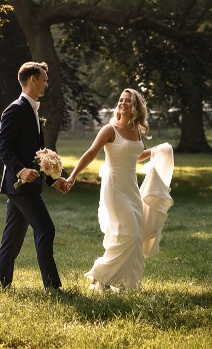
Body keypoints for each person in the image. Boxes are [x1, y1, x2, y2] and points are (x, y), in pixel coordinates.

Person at [66, 88, 153, 292]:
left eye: (128, 101)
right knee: (129, 233)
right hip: (114, 186)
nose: (123, 103)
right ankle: (100, 275)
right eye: (121, 100)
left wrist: (157, 151)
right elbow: (90, 153)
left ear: (136, 107)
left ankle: (123, 283)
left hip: (131, 186)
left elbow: (133, 155)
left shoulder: (137, 130)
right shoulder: (109, 130)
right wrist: (73, 176)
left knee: (134, 234)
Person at [0, 61, 68, 291]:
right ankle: (53, 287)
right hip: (20, 185)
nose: (47, 84)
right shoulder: (16, 109)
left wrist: (54, 180)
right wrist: (20, 170)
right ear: (33, 79)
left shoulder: (33, 111)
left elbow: (39, 155)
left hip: (26, 187)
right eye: (44, 79)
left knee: (12, 240)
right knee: (46, 229)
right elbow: (1, 144)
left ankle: (2, 286)